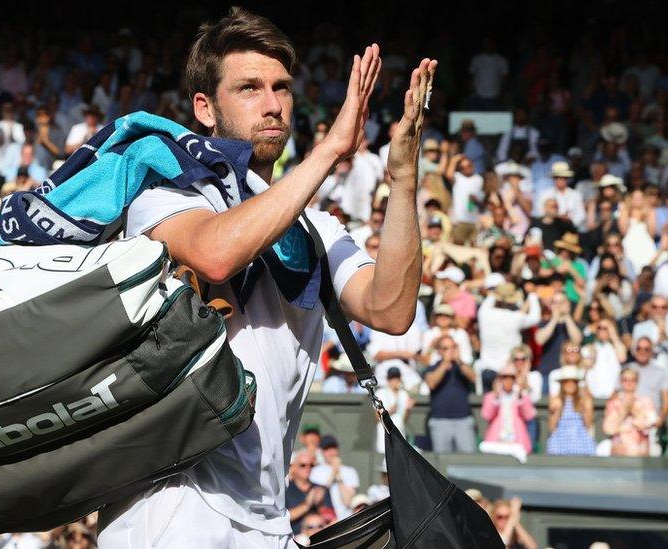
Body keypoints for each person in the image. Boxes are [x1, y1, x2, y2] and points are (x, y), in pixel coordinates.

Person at [97, 9, 434, 547]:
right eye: (249, 88)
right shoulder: (168, 194)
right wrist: (329, 150)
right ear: (205, 108)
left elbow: (391, 309)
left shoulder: (315, 227)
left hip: (268, 517)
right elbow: (214, 256)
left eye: (281, 87)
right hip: (171, 503)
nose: (273, 104)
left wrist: (403, 176)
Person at [424, 335, 478, 453]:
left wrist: (458, 360)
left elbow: (473, 377)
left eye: (453, 347)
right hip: (440, 421)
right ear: (439, 350)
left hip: (463, 420)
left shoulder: (461, 367)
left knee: (467, 460)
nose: (450, 351)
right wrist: (445, 363)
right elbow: (431, 383)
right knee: (441, 463)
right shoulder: (433, 367)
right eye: (445, 348)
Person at [481, 365, 536, 458]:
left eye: (511, 377)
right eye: (504, 377)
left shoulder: (522, 396)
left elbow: (529, 416)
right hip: (497, 441)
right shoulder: (491, 396)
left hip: (517, 441)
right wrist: (497, 396)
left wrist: (520, 395)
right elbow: (486, 415)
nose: (508, 380)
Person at [603, 367, 657, 456]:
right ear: (621, 381)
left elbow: (648, 425)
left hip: (640, 452)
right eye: (625, 380)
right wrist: (624, 410)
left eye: (632, 380)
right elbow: (608, 429)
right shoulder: (614, 403)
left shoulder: (646, 402)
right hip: (619, 452)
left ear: (637, 381)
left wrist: (634, 410)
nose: (629, 383)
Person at [546, 366, 596, 455]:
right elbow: (552, 427)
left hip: (580, 438)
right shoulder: (556, 400)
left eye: (573, 381)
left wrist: (585, 408)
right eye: (566, 381)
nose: (570, 384)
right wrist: (557, 410)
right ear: (562, 384)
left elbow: (588, 424)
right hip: (560, 439)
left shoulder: (583, 401)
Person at [309, 435, 360, 520]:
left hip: (346, 519)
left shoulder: (350, 471)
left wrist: (338, 474)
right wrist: (334, 471)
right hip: (325, 521)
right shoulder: (315, 471)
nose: (331, 452)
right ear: (321, 451)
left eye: (333, 448)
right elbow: (319, 498)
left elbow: (347, 501)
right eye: (327, 449)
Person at [375, 366, 413, 453]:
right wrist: (390, 411)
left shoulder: (404, 394)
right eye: (392, 378)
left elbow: (405, 420)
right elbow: (377, 418)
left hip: (399, 431)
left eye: (396, 378)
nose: (394, 381)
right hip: (384, 432)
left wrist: (408, 409)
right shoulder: (380, 393)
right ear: (388, 379)